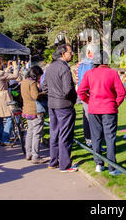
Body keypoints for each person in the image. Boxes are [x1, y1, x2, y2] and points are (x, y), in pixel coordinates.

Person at [77, 50, 126, 175]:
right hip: (108, 109)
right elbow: (121, 92)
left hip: (94, 109)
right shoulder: (112, 73)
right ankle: (112, 167)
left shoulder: (89, 73)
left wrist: (89, 101)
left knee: (96, 137)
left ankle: (98, 163)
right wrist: (115, 104)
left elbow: (81, 91)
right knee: (110, 138)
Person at [43, 44, 78, 172]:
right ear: (63, 54)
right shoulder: (64, 68)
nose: (72, 54)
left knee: (55, 133)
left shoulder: (50, 67)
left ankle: (53, 161)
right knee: (65, 135)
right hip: (63, 105)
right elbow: (68, 89)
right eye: (70, 52)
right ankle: (64, 164)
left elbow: (44, 86)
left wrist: (53, 96)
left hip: (52, 104)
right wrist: (72, 99)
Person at [0, 56, 19, 146]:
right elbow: (15, 76)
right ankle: (5, 138)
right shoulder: (0, 73)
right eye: (1, 62)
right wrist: (15, 66)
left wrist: (7, 69)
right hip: (5, 96)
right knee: (10, 117)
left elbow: (3, 76)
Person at [21, 65, 48, 164]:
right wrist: (44, 93)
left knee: (30, 132)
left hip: (27, 110)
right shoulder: (32, 83)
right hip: (35, 110)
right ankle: (35, 156)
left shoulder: (24, 82)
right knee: (37, 134)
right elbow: (35, 96)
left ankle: (28, 153)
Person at [77, 44, 98, 147]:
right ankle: (93, 139)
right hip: (91, 93)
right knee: (92, 117)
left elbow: (79, 80)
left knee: (86, 116)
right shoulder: (92, 64)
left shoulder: (82, 64)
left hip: (84, 92)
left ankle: (89, 138)